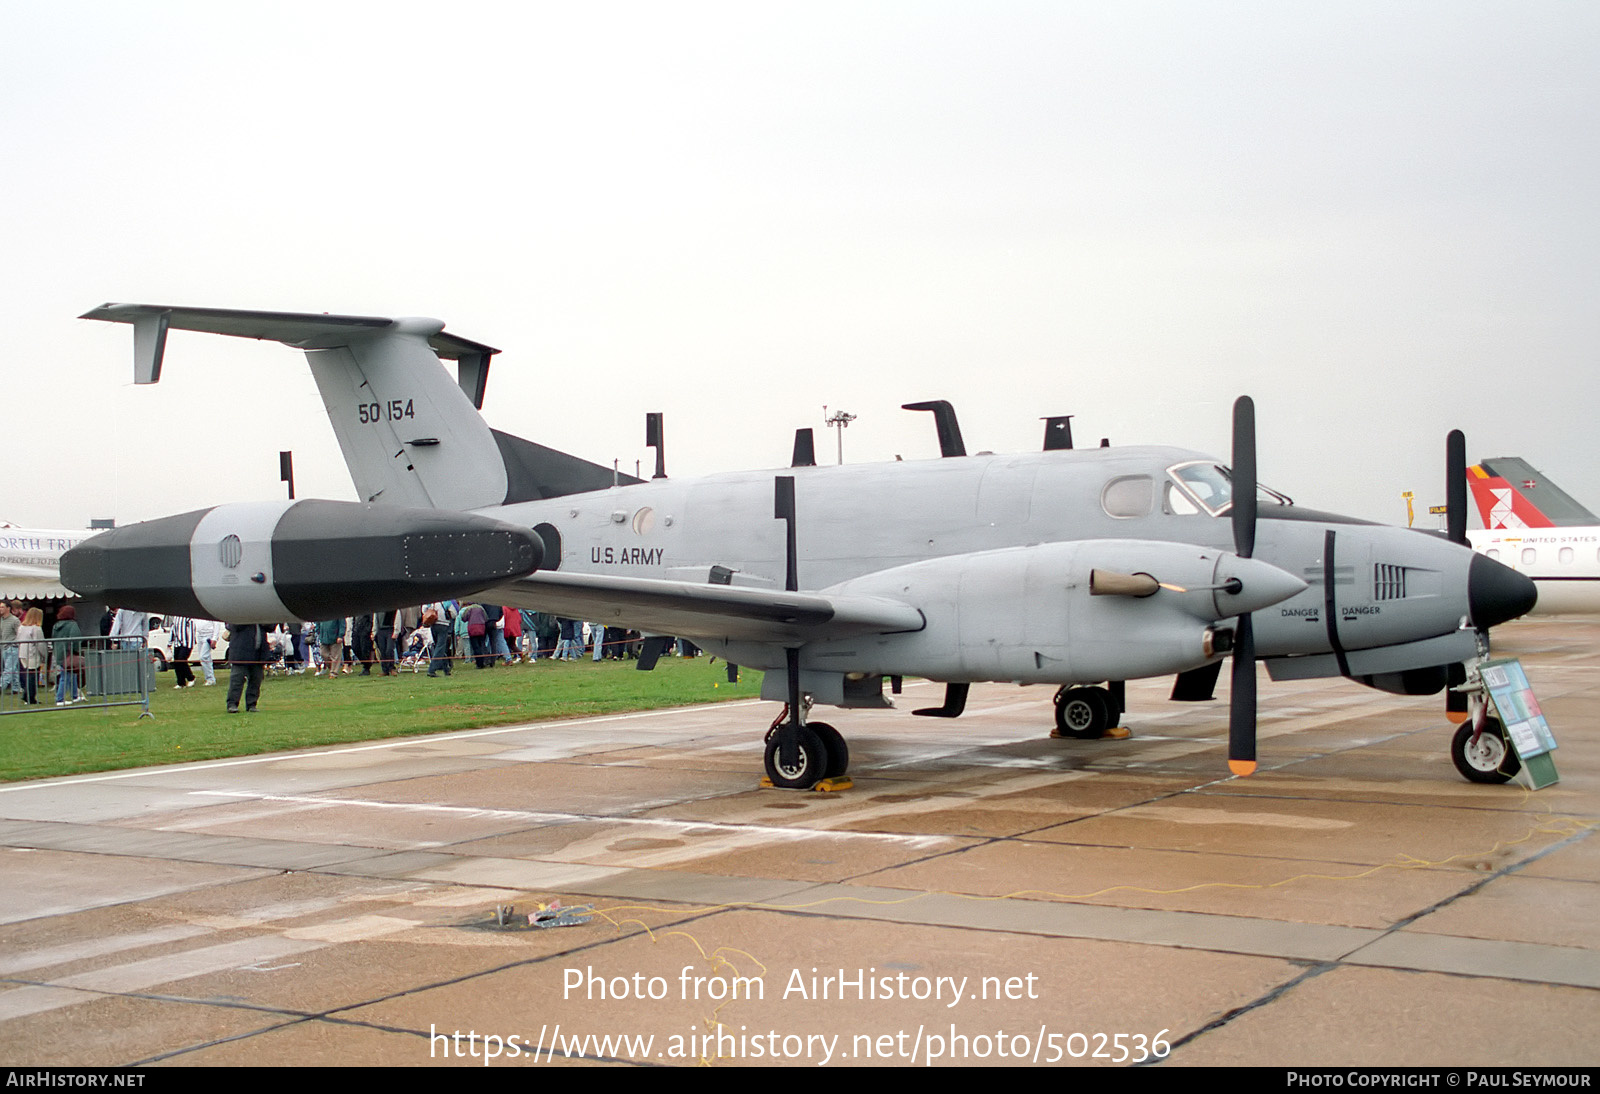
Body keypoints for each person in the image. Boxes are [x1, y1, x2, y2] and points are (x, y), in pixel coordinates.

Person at [225, 622, 272, 712]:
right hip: (240, 653)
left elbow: (271, 627)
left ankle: (251, 704)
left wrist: (262, 620)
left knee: (256, 680)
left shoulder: (261, 615)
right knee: (237, 680)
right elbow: (233, 625)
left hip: (258, 653)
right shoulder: (237, 612)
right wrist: (250, 618)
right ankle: (232, 704)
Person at [52, 604, 85, 705]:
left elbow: (53, 639)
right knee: (65, 676)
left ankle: (75, 696)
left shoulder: (55, 626)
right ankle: (59, 699)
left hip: (59, 653)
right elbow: (76, 639)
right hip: (68, 653)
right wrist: (76, 650)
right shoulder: (72, 625)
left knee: (72, 674)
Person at [15, 608, 46, 705]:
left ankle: (27, 695)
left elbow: (17, 640)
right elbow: (40, 644)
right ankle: (30, 697)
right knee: (33, 676)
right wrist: (44, 655)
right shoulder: (36, 628)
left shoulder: (21, 627)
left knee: (28, 675)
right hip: (32, 653)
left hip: (22, 653)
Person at [167, 614, 197, 688]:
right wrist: (169, 643)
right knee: (177, 662)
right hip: (177, 643)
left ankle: (191, 678)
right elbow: (173, 630)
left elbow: (192, 630)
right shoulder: (176, 617)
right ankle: (181, 682)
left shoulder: (188, 618)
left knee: (182, 660)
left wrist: (189, 644)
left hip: (186, 643)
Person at [0, 601, 19, 695]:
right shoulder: (1, 620)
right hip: (3, 647)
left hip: (12, 647)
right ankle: (16, 688)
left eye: (2, 607)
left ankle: (1, 686)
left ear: (8, 608)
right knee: (13, 669)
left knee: (8, 669)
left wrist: (15, 643)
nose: (0, 609)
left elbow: (19, 634)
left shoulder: (15, 620)